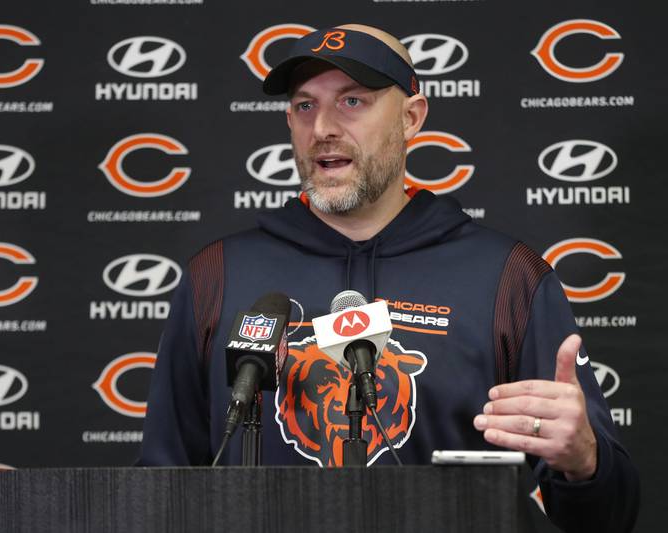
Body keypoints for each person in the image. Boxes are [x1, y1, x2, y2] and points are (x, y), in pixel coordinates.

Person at [139, 24, 639, 532]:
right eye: (306, 106)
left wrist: (583, 461)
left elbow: (608, 519)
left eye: (353, 101)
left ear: (411, 118)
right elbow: (155, 493)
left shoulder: (508, 276)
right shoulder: (218, 274)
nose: (323, 129)